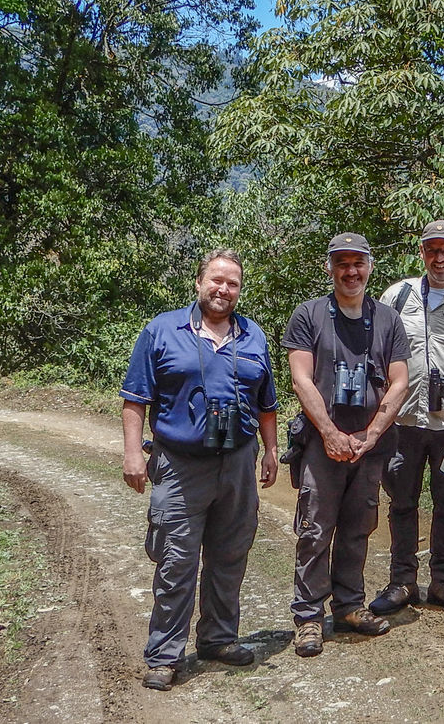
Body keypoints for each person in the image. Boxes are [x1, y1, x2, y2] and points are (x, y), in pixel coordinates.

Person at [119, 249, 280, 691]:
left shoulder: (252, 336)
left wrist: (270, 451)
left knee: (230, 556)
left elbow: (266, 403)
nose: (223, 289)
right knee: (176, 561)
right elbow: (135, 399)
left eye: (232, 283)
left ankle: (218, 639)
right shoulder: (162, 330)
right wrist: (134, 453)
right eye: (216, 280)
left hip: (238, 462)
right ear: (198, 282)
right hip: (179, 464)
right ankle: (164, 654)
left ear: (239, 291)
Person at [283, 232, 410, 658]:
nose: (351, 271)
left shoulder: (389, 320)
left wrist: (371, 434)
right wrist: (330, 433)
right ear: (329, 268)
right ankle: (308, 617)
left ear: (370, 267)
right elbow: (301, 377)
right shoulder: (309, 315)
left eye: (358, 263)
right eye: (342, 263)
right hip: (323, 443)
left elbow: (400, 380)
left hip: (369, 445)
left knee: (359, 528)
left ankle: (350, 606)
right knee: (316, 530)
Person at [371, 220, 444, 617]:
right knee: (401, 501)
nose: (439, 259)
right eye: (432, 250)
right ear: (421, 252)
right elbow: (377, 350)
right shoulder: (398, 295)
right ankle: (402, 580)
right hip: (404, 420)